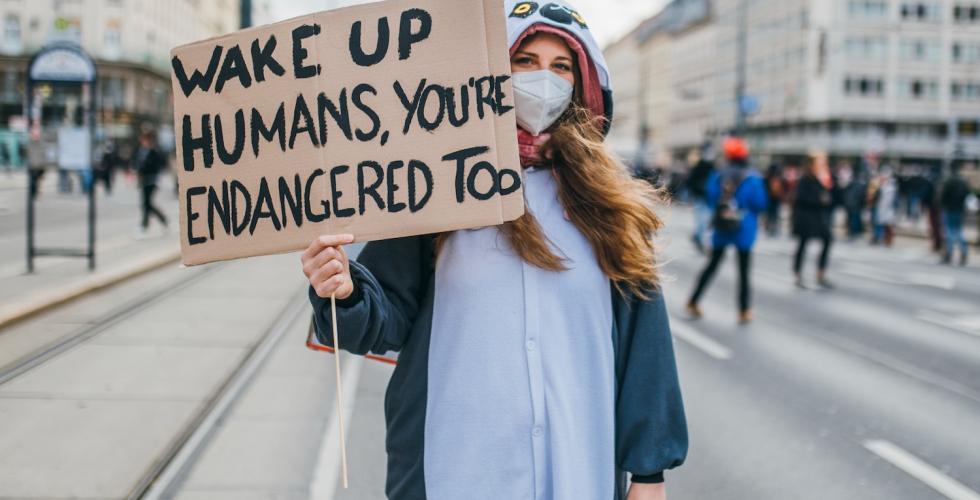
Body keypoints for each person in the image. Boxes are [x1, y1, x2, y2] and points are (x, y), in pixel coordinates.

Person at [300, 2, 688, 499]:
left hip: (577, 468)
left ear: (583, 82)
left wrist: (648, 476)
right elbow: (380, 318)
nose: (542, 79)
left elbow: (644, 348)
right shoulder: (435, 185)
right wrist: (344, 290)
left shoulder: (611, 208)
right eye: (524, 60)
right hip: (452, 468)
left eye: (560, 66)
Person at [686, 137, 768, 324]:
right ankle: (744, 310)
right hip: (744, 227)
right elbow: (760, 202)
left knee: (712, 265)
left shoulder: (719, 175)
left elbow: (711, 196)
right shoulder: (753, 177)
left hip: (722, 226)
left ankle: (693, 301)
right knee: (744, 270)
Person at [792, 153, 835, 289]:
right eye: (820, 162)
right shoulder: (804, 179)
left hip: (818, 217)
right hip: (806, 217)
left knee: (828, 239)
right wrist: (819, 199)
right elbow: (801, 198)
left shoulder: (821, 179)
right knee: (803, 244)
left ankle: (820, 273)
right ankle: (798, 274)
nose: (822, 165)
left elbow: (832, 195)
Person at [133, 132, 168, 236]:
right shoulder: (139, 151)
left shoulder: (154, 152)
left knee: (147, 203)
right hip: (143, 181)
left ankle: (145, 225)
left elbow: (159, 164)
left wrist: (146, 167)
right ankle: (160, 220)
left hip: (152, 180)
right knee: (146, 204)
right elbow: (135, 162)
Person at [686, 143, 715, 253]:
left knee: (705, 221)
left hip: (708, 197)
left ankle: (698, 238)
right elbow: (690, 181)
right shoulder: (701, 166)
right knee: (703, 221)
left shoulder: (711, 165)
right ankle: (699, 239)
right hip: (701, 197)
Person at [940, 164, 971, 265]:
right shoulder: (963, 182)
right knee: (958, 231)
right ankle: (964, 251)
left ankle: (948, 254)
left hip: (949, 209)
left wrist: (943, 205)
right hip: (959, 209)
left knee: (949, 230)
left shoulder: (949, 181)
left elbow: (943, 196)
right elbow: (967, 194)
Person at [871, 165, 897, 246]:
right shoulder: (879, 184)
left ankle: (885, 239)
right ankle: (878, 238)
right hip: (880, 206)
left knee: (887, 224)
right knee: (878, 223)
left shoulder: (891, 186)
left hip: (887, 208)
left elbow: (892, 200)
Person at [763, 162, 785, 236]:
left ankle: (770, 227)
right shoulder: (778, 176)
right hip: (774, 198)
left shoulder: (768, 177)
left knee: (771, 213)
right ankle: (772, 227)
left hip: (771, 198)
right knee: (774, 213)